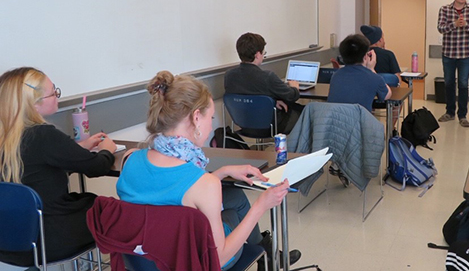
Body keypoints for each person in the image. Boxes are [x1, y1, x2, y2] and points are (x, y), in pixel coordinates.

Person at [116, 71, 300, 270]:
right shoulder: (204, 185)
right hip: (192, 262)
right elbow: (217, 259)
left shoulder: (130, 159)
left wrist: (221, 172)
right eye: (210, 117)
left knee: (234, 197)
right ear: (196, 117)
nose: (212, 124)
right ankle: (266, 253)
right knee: (233, 214)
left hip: (144, 260)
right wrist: (261, 206)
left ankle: (267, 252)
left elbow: (175, 190)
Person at [0, 67, 117, 267]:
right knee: (110, 209)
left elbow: (37, 171)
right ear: (34, 104)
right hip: (50, 239)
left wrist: (76, 149)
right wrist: (107, 150)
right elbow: (97, 167)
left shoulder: (8, 137)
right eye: (53, 92)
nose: (57, 97)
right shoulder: (43, 135)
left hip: (11, 241)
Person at [225, 32, 304, 134]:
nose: (263, 56)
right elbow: (292, 96)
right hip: (270, 127)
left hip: (244, 126)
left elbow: (248, 96)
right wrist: (295, 88)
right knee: (308, 112)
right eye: (263, 53)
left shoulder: (229, 76)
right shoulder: (267, 77)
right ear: (257, 55)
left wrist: (272, 101)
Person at [437, 0, 469, 127]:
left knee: (463, 84)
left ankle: (462, 115)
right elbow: (441, 28)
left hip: (465, 54)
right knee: (449, 83)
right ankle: (449, 112)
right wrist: (454, 24)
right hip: (448, 53)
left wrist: (466, 25)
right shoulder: (444, 9)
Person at [327, 34, 391, 113]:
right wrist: (371, 69)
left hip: (336, 123)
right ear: (365, 56)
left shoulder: (336, 75)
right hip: (360, 123)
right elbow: (387, 95)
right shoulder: (374, 78)